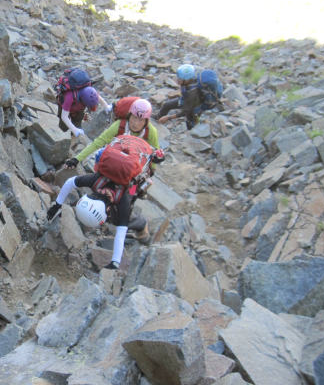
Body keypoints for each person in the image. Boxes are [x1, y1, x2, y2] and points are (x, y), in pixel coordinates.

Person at [47, 138, 164, 270]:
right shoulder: (95, 180)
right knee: (123, 215)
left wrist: (57, 205)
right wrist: (57, 204)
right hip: (127, 148)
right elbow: (71, 182)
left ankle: (142, 228)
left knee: (123, 211)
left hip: (131, 177)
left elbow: (121, 229)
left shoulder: (121, 199)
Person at [65, 98, 159, 168]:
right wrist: (77, 159)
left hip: (133, 161)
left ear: (146, 122)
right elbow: (98, 142)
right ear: (129, 115)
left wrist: (151, 171)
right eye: (134, 118)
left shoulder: (151, 132)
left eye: (141, 120)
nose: (135, 123)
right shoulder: (119, 125)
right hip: (116, 155)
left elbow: (154, 153)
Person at [157, 63, 221, 130]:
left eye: (180, 79)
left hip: (194, 106)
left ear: (186, 80)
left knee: (190, 121)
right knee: (167, 105)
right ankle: (157, 117)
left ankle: (192, 130)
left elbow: (185, 111)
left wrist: (168, 117)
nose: (177, 80)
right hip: (187, 100)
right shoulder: (191, 80)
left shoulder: (192, 93)